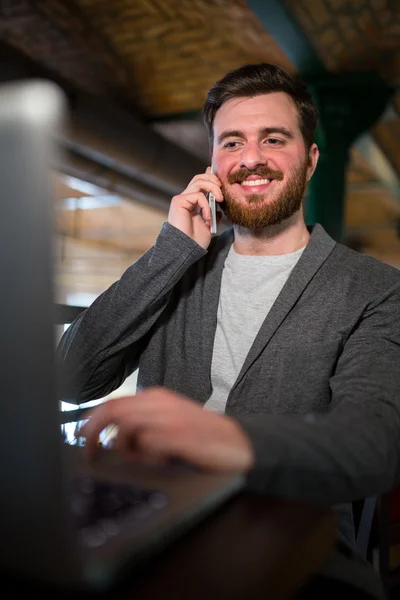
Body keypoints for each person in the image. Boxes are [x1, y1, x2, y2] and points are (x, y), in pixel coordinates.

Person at [57, 63, 400, 598]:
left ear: (311, 161)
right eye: (232, 142)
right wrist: (170, 252)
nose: (251, 158)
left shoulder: (375, 289)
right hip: (151, 521)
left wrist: (219, 437)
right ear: (213, 165)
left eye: (274, 139)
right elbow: (68, 378)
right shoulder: (178, 265)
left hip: (293, 543)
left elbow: (372, 443)